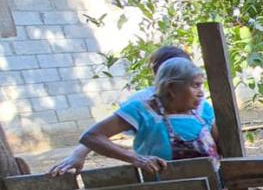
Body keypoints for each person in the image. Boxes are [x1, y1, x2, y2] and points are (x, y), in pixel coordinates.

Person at [49, 46, 192, 176]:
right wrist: (79, 153)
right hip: (161, 175)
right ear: (158, 75)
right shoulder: (144, 102)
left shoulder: (199, 100)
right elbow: (98, 133)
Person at [79, 58, 220, 173]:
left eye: (201, 86)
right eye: (195, 86)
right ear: (171, 88)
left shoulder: (204, 110)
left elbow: (221, 145)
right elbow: (91, 137)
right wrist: (137, 158)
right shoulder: (142, 111)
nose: (201, 93)